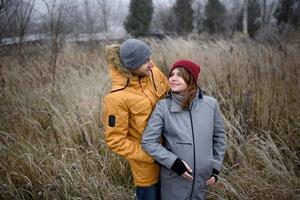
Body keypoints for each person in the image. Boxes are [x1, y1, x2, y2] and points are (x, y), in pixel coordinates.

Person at [142, 59, 226, 199]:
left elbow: (219, 138)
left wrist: (215, 166)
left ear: (191, 79)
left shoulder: (211, 105)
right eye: (172, 74)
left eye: (179, 75)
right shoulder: (163, 107)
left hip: (202, 180)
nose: (173, 79)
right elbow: (148, 141)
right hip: (174, 179)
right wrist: (173, 162)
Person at [102, 39, 169, 200]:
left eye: (150, 58)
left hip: (174, 160)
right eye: (146, 61)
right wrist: (151, 156)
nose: (151, 64)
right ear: (131, 65)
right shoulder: (116, 98)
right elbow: (115, 141)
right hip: (148, 172)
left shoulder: (155, 73)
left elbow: (173, 99)